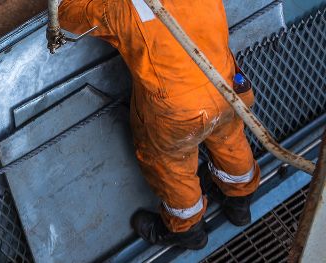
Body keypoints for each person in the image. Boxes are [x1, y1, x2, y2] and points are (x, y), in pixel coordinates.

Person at [59, 0, 260, 249]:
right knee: (229, 139)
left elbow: (64, 12)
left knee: (172, 167)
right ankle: (240, 202)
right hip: (227, 87)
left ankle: (187, 231)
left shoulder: (120, 8)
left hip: (178, 116)